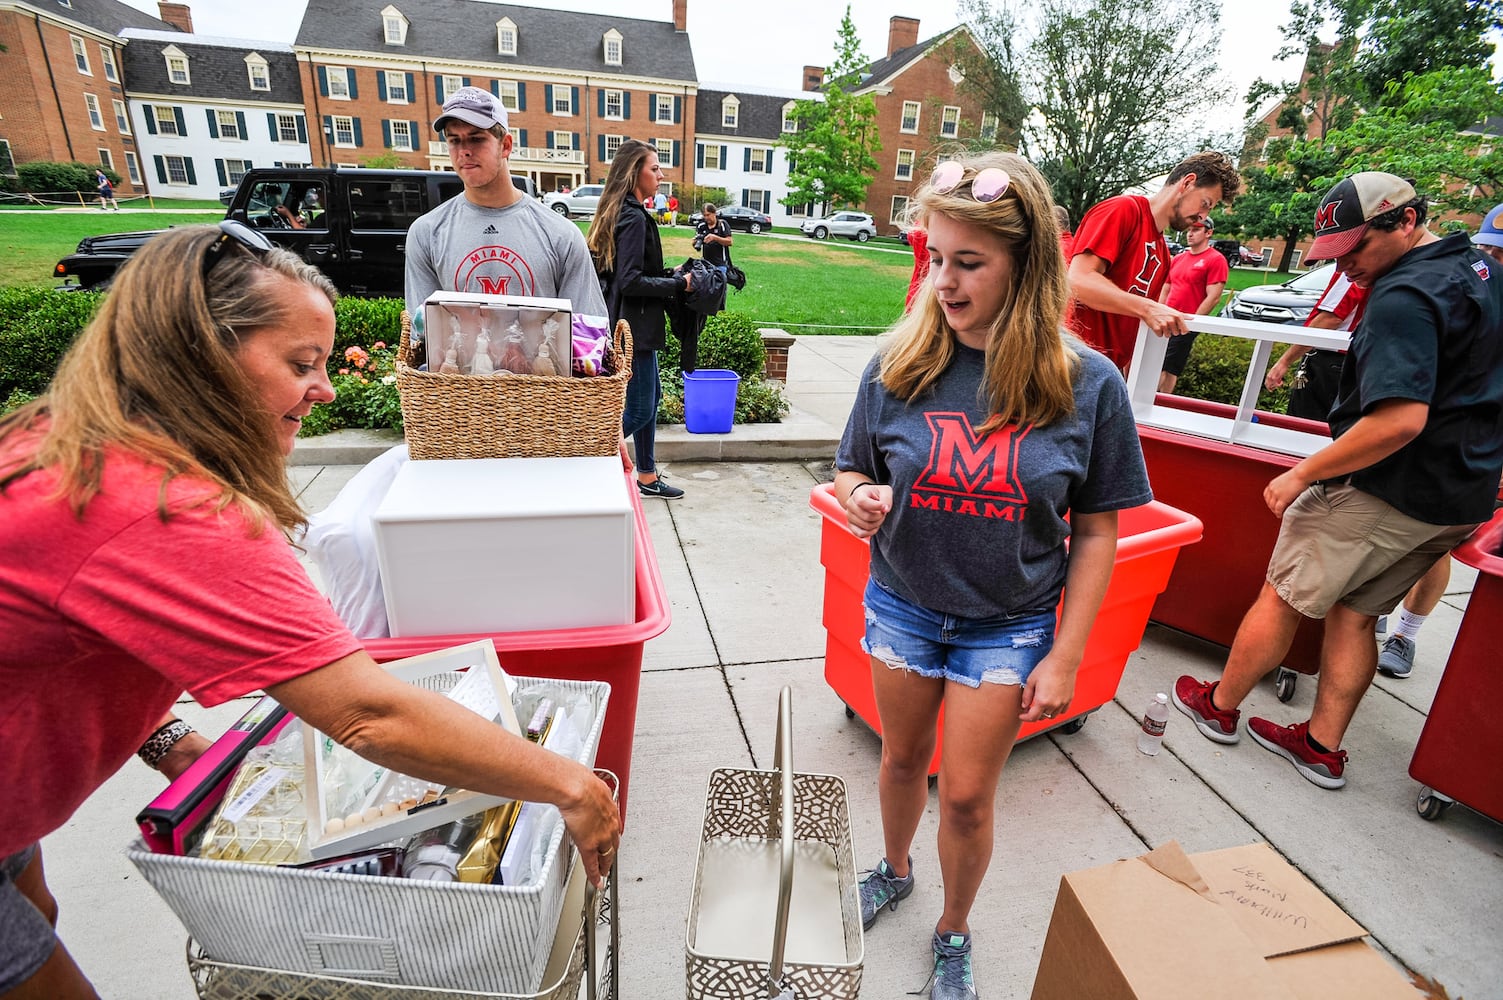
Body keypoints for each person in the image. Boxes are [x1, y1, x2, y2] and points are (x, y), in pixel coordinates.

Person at [0, 223, 621, 999]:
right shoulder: (166, 509)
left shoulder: (67, 440)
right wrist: (570, 784)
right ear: (200, 353)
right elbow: (369, 714)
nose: (324, 390)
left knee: (40, 914)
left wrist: (161, 738)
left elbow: (58, 638)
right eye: (301, 364)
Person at [835, 153, 1151, 1000]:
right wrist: (860, 494)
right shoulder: (896, 364)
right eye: (935, 257)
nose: (942, 280)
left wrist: (1067, 655)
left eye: (967, 262)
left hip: (1007, 629)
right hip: (900, 606)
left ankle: (952, 929)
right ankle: (894, 869)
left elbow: (1095, 531)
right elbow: (847, 470)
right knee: (901, 763)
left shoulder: (1088, 385)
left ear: (1026, 265)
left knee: (968, 798)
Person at [1174, 172, 1503, 790]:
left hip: (1387, 488)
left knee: (1283, 596)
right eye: (1335, 252)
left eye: (1355, 249)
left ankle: (1217, 707)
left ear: (1405, 222)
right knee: (1356, 615)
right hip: (1461, 494)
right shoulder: (1482, 273)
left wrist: (1304, 473)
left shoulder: (1404, 296)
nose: (1345, 266)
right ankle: (1321, 747)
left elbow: (1399, 421)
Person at [405, 87, 605, 323]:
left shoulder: (562, 235)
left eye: (477, 138)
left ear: (506, 145)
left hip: (544, 361)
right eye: (454, 140)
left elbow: (588, 334)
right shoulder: (426, 233)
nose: (464, 151)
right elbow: (423, 334)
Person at [1066, 151, 1242, 373]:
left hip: (1107, 372)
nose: (1203, 216)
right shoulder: (1123, 211)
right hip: (1072, 362)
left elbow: (1135, 325)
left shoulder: (1161, 252)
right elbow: (1078, 281)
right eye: (1205, 203)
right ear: (1187, 183)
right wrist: (1148, 308)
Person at [586, 139, 691, 501]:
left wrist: (668, 272)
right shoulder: (632, 217)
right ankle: (587, 458)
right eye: (654, 168)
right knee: (641, 406)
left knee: (654, 396)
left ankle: (646, 475)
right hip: (634, 329)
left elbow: (627, 272)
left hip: (631, 325)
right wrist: (678, 283)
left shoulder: (625, 211)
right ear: (635, 173)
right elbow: (630, 282)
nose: (661, 175)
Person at [1264, 266, 1365, 421]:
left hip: (1331, 359)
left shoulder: (1355, 268)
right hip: (1355, 358)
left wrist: (1285, 361)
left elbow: (1331, 318)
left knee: (1302, 427)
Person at [1157, 217, 1229, 393]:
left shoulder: (1215, 260)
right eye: (1189, 230)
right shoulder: (1179, 258)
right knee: (1155, 362)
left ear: (1208, 233)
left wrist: (1192, 323)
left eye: (1196, 229)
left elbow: (1213, 297)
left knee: (1169, 367)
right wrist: (1158, 313)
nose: (1190, 233)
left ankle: (1159, 403)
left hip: (1185, 323)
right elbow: (1166, 288)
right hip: (1166, 319)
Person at [694, 203, 733, 276]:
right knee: (705, 286)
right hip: (705, 263)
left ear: (714, 213)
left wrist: (715, 238)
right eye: (704, 215)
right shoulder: (701, 226)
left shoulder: (722, 224)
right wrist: (695, 242)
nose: (706, 217)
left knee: (719, 286)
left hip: (720, 264)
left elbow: (729, 241)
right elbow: (696, 243)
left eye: (708, 215)